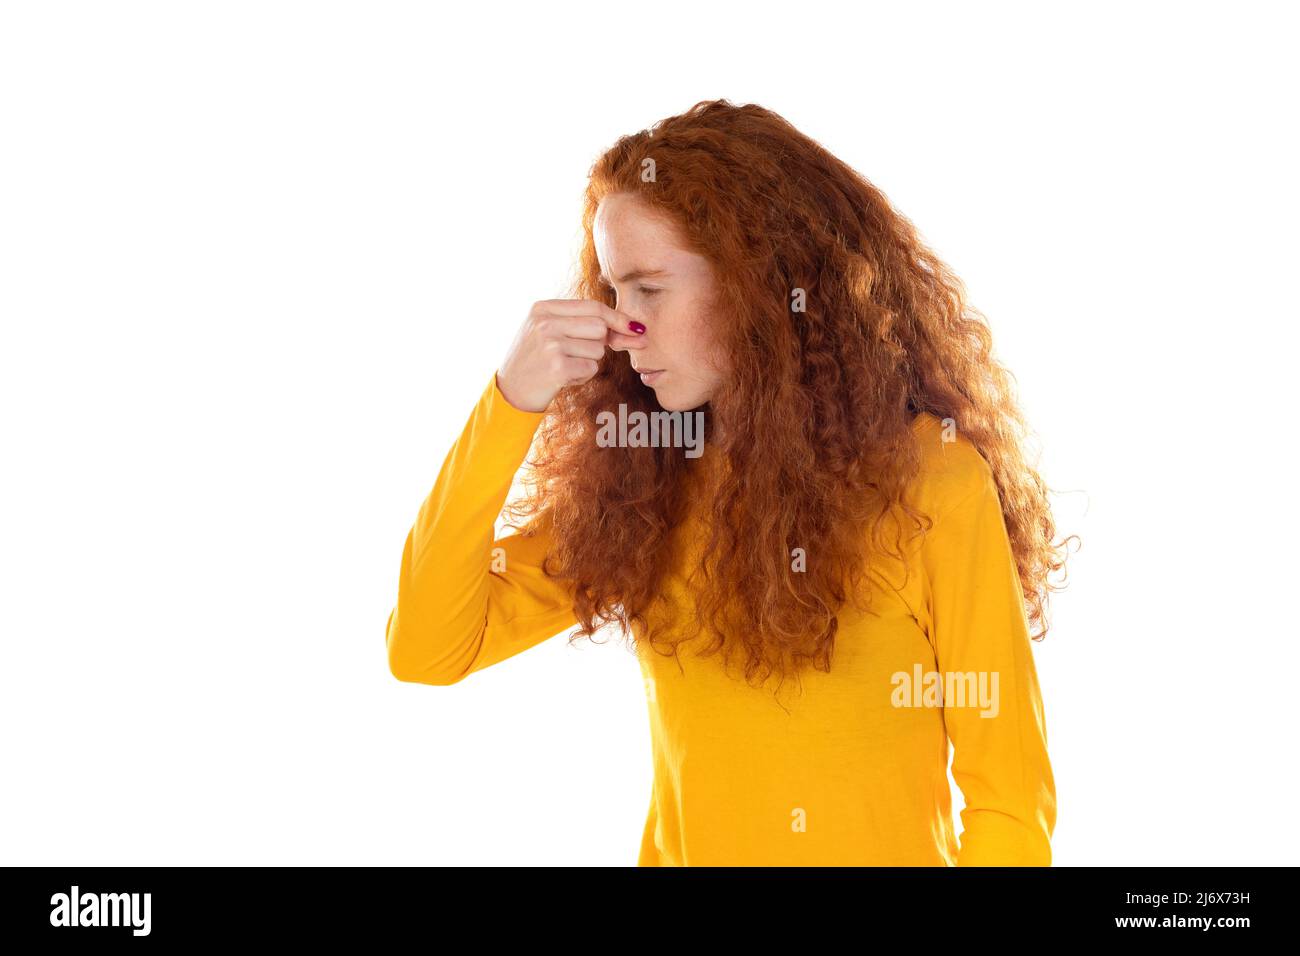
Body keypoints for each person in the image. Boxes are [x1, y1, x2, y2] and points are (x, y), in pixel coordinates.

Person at [384, 99, 1073, 866]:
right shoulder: (642, 482)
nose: (623, 326)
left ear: (761, 284)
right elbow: (425, 648)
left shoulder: (934, 480)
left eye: (650, 289)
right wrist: (511, 401)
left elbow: (1008, 801)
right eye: (613, 292)